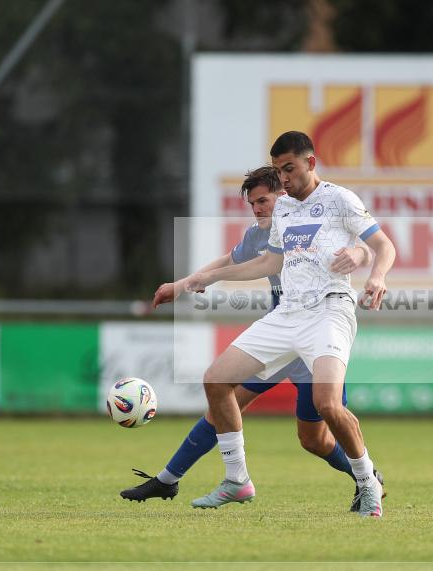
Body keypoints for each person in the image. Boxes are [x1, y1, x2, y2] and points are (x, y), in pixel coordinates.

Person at [155, 131, 395, 517]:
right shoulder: (283, 210)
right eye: (280, 171)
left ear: (310, 163)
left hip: (329, 311)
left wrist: (377, 275)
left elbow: (383, 245)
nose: (284, 179)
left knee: (327, 406)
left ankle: (369, 483)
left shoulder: (339, 199)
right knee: (216, 380)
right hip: (287, 314)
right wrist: (204, 279)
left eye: (290, 169)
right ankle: (237, 481)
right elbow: (271, 263)